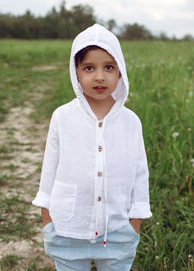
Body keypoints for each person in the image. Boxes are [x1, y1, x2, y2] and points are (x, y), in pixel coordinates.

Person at [32, 23, 152, 271]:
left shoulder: (131, 122)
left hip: (118, 232)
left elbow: (140, 175)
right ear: (76, 72)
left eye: (108, 67)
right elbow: (49, 171)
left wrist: (134, 224)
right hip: (67, 229)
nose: (99, 76)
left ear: (120, 71)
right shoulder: (62, 117)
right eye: (89, 68)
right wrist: (48, 221)